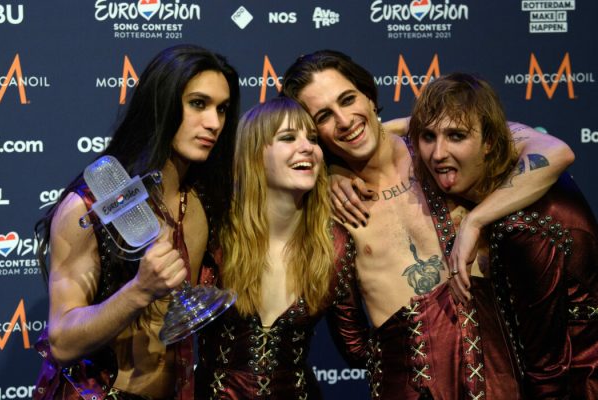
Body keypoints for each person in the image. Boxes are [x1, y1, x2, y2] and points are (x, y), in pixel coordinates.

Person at [281, 50, 575, 399]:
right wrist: (330, 173)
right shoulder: (328, 203)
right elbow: (353, 342)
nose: (344, 120)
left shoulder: (440, 152)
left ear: (370, 97)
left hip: (499, 379)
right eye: (324, 116)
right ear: (311, 132)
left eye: (348, 99)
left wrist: (475, 220)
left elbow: (555, 152)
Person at [32, 44, 240, 400]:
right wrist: (140, 290)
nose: (214, 123)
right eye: (198, 104)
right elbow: (62, 341)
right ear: (160, 103)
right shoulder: (89, 206)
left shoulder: (205, 201)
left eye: (222, 109)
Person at [410, 72, 598, 399]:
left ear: (489, 143)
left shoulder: (522, 228)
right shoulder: (506, 172)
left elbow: (548, 370)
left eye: (456, 136)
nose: (438, 153)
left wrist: (473, 223)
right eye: (428, 136)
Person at [194, 97, 369, 399]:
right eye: (288, 138)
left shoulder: (335, 243)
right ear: (253, 154)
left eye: (313, 139)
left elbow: (357, 350)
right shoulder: (214, 228)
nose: (308, 148)